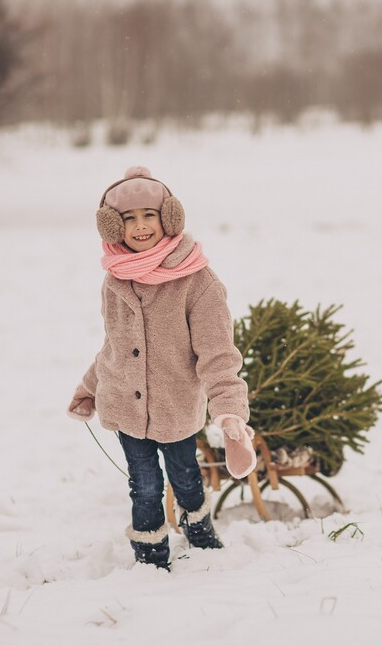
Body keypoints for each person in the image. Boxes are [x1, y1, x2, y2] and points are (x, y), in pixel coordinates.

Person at [67, 165, 256, 570]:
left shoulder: (197, 281)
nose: (139, 227)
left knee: (185, 478)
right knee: (145, 486)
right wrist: (89, 388)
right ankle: (151, 556)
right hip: (125, 408)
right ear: (113, 226)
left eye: (148, 216)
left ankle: (199, 529)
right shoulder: (115, 279)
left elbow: (218, 355)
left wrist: (229, 412)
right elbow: (113, 347)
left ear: (168, 218)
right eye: (128, 219)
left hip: (175, 408)